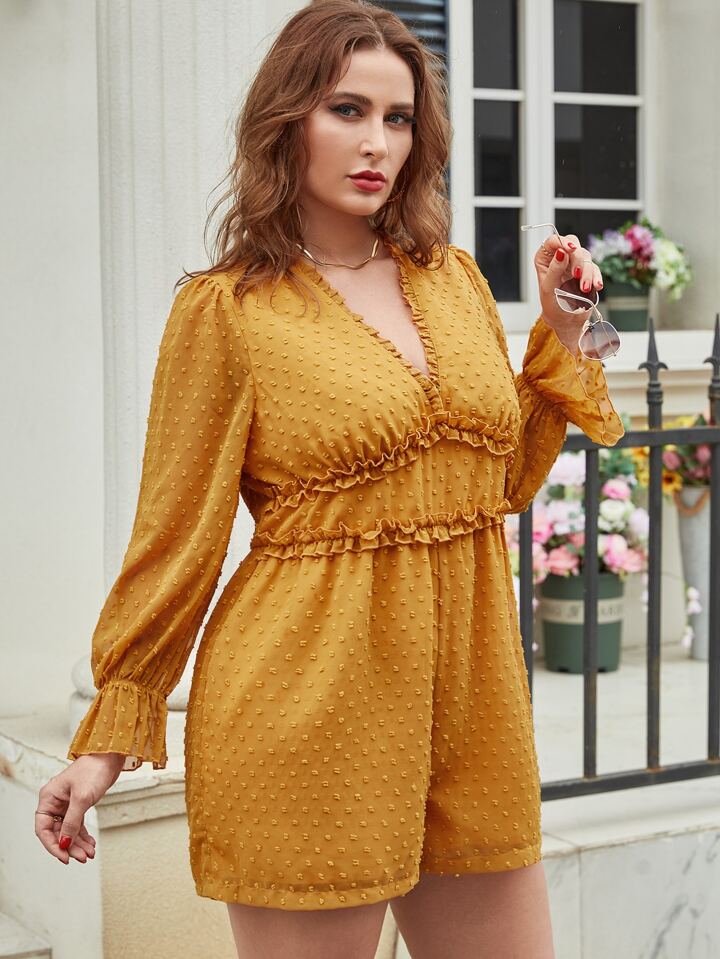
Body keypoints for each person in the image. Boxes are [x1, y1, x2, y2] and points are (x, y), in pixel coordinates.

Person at [34, 1, 624, 956]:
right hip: (307, 703)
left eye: (398, 118)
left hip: (473, 707)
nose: (376, 142)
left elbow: (498, 483)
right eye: (347, 109)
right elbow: (174, 536)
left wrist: (559, 331)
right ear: (288, 118)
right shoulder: (227, 310)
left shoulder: (454, 279)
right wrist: (108, 736)